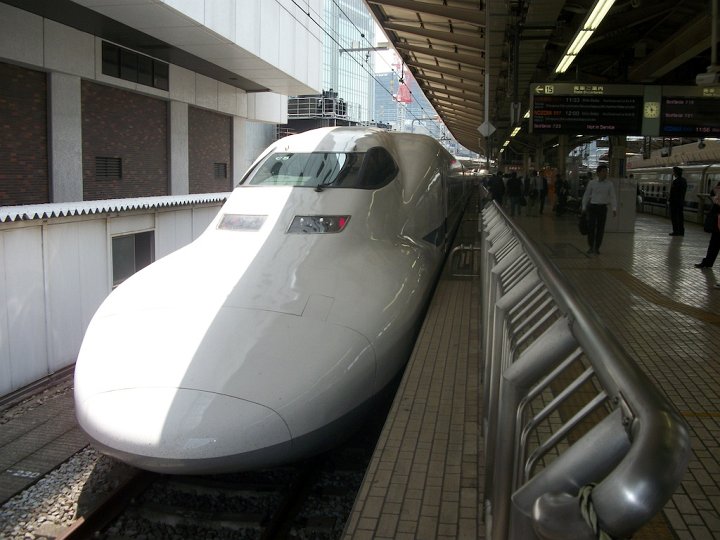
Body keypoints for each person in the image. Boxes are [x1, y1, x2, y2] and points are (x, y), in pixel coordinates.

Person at [581, 164, 617, 255]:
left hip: (602, 208)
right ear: (598, 173)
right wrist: (584, 207)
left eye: (606, 172)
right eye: (604, 171)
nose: (605, 174)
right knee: (591, 228)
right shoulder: (592, 183)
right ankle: (590, 246)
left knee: (600, 229)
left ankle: (597, 247)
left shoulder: (609, 184)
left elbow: (613, 196)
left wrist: (614, 208)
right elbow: (586, 195)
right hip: (592, 207)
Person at [696, 182, 720, 269]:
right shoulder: (717, 190)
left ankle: (707, 262)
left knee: (714, 244)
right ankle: (707, 262)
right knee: (714, 244)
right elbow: (713, 194)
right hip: (717, 222)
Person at [668, 166, 687, 236]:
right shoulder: (684, 181)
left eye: (673, 172)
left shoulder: (675, 182)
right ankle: (681, 231)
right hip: (681, 202)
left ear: (676, 173)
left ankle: (676, 231)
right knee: (680, 217)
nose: (673, 173)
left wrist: (669, 199)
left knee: (674, 217)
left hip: (674, 203)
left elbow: (673, 193)